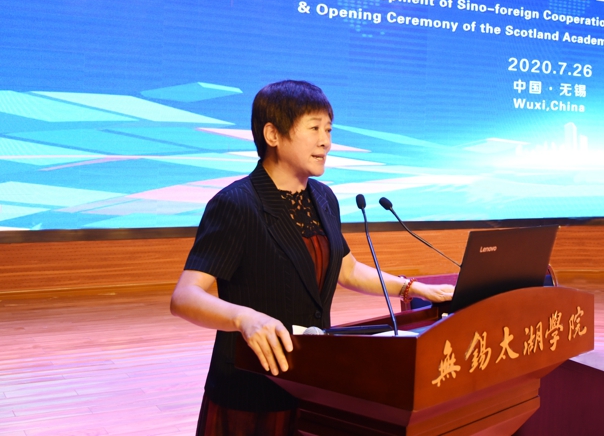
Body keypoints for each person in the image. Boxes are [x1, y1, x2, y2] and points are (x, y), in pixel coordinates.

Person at [170, 80, 454, 436]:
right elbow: (185, 297)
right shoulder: (237, 203)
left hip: (313, 382)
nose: (326, 142)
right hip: (252, 388)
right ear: (273, 134)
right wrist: (244, 318)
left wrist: (413, 288)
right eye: (314, 128)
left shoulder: (323, 198)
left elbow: (347, 269)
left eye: (329, 130)